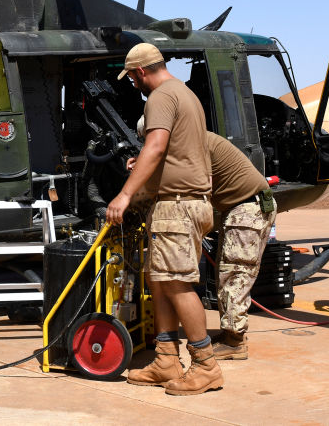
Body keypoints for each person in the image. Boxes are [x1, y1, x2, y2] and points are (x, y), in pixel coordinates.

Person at [106, 43, 222, 396]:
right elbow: (170, 152)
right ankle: (166, 359)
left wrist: (125, 194)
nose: (133, 85)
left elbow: (155, 146)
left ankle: (206, 366)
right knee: (159, 280)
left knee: (176, 283)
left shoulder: (158, 97)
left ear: (141, 72)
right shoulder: (183, 94)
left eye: (132, 78)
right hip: (183, 202)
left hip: (178, 205)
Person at [204, 132, 275, 360]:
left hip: (246, 209)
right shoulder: (198, 138)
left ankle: (235, 342)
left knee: (235, 274)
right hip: (242, 208)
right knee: (228, 272)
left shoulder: (194, 144)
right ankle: (231, 334)